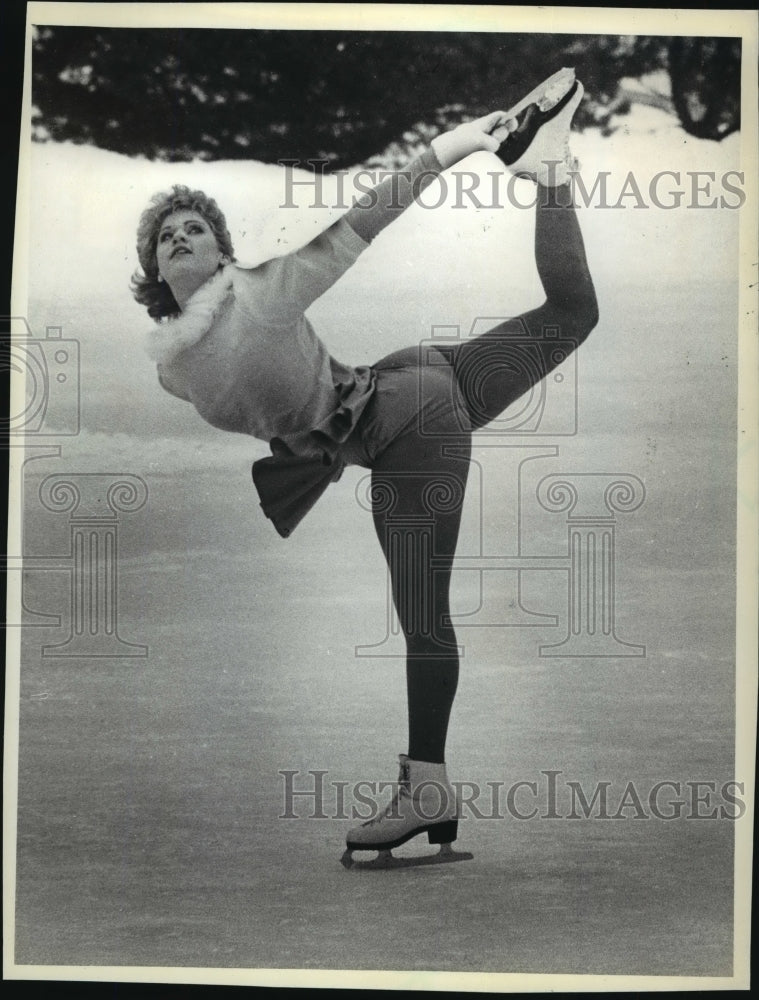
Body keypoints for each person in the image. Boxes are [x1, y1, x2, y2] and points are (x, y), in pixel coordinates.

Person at [135, 68, 598, 866]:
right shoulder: (173, 370)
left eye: (196, 228)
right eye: (165, 234)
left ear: (221, 254)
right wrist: (310, 447)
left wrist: (448, 150)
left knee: (424, 620)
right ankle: (548, 166)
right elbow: (275, 413)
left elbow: (362, 220)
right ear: (151, 269)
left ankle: (427, 789)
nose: (180, 236)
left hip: (407, 429)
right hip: (418, 380)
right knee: (571, 314)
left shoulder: (263, 292)